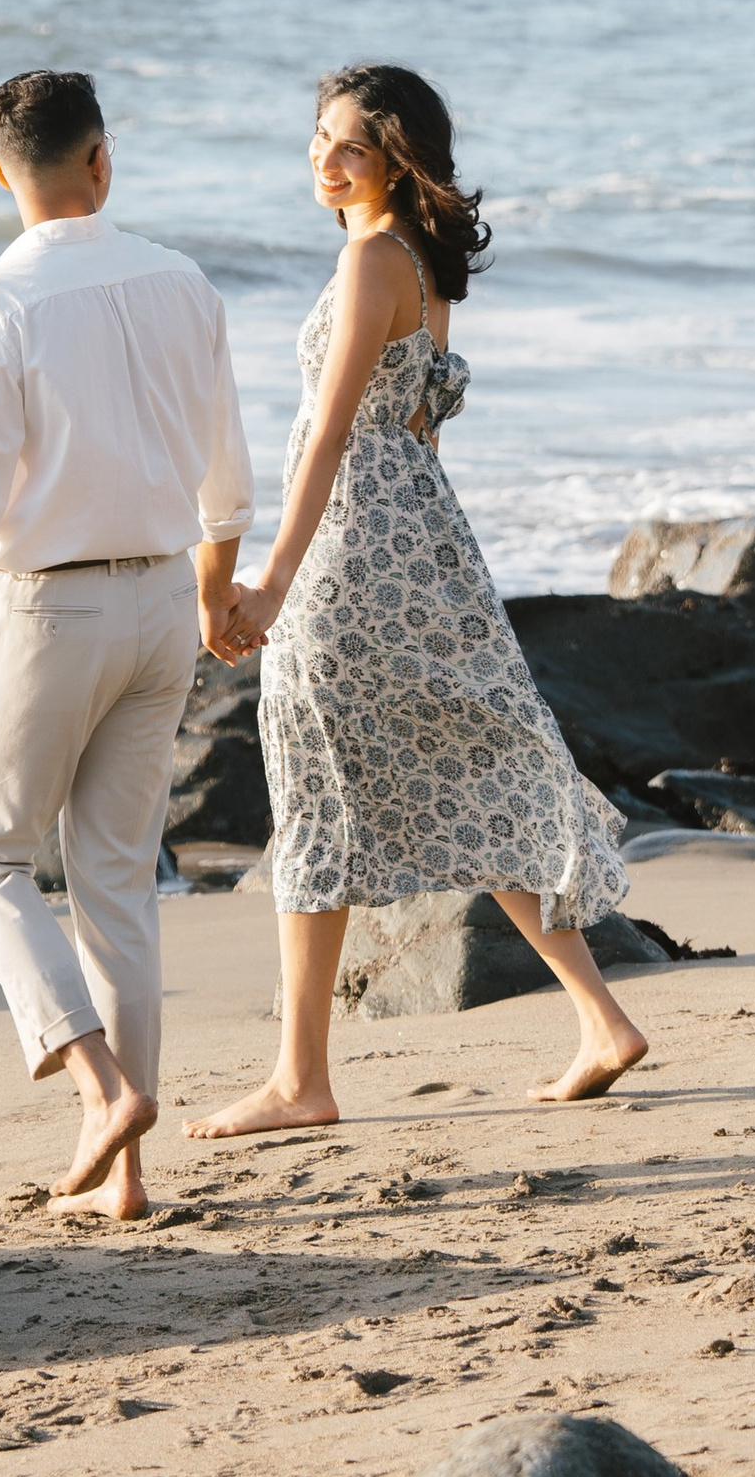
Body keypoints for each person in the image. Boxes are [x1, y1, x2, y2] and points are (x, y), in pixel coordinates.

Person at [190, 62, 646, 1138]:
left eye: (348, 144)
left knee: (315, 792)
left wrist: (269, 578)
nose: (323, 158)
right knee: (472, 770)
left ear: (395, 155)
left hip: (352, 548)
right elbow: (416, 430)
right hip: (421, 538)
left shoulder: (368, 262)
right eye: (317, 139)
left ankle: (302, 1079)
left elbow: (331, 435)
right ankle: (599, 1018)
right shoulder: (424, 266)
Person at [0, 68, 254, 1222]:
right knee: (116, 888)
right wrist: (217, 590)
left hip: (47, 611)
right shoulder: (180, 278)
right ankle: (127, 1181)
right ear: (103, 159)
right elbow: (224, 464)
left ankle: (97, 1088)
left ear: (0, 172)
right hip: (158, 606)